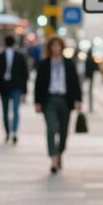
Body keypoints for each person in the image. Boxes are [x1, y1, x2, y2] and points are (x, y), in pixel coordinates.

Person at [34, 36, 82, 173]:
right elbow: (38, 84)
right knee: (51, 128)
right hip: (49, 100)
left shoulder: (68, 63)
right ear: (49, 48)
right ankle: (53, 159)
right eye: (53, 45)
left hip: (65, 100)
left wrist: (78, 100)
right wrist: (37, 102)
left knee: (63, 131)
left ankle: (60, 152)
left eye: (58, 45)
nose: (55, 48)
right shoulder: (44, 64)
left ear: (62, 47)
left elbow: (75, 83)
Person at [0, 35, 29, 144]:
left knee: (11, 111)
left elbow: (24, 74)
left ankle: (11, 131)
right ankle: (11, 131)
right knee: (10, 111)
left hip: (13, 86)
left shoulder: (13, 56)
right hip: (7, 87)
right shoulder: (14, 56)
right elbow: (25, 74)